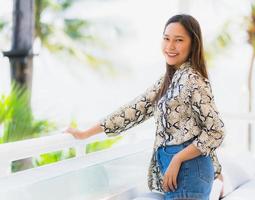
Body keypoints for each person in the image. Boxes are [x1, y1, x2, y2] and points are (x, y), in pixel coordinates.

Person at [65, 14, 225, 200]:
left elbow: (216, 131)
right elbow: (134, 110)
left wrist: (178, 158)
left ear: (193, 44)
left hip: (188, 171)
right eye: (166, 38)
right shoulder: (170, 79)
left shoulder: (193, 80)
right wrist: (86, 133)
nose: (170, 46)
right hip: (181, 172)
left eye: (179, 40)